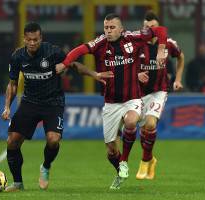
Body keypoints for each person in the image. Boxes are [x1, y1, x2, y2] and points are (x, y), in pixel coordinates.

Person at [56, 13, 167, 189]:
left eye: (112, 27)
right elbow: (79, 50)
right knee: (110, 150)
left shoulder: (133, 37)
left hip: (132, 99)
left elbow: (160, 30)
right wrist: (64, 63)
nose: (108, 31)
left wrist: (161, 48)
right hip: (111, 103)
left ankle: (124, 160)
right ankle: (120, 170)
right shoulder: (100, 43)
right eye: (106, 27)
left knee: (131, 121)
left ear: (121, 29)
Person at [1, 22, 112, 192]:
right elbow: (13, 84)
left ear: (41, 38)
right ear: (24, 39)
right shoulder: (17, 57)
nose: (32, 43)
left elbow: (74, 65)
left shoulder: (52, 52)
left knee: (53, 140)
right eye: (29, 39)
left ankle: (45, 167)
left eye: (35, 39)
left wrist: (94, 74)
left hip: (53, 102)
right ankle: (17, 183)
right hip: (30, 101)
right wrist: (7, 107)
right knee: (12, 141)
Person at [136, 11, 184, 180]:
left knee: (150, 124)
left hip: (159, 90)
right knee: (143, 131)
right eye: (146, 27)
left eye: (153, 27)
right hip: (139, 92)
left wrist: (177, 79)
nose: (149, 30)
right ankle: (150, 159)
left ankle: (144, 161)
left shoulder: (168, 44)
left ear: (159, 28)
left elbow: (180, 57)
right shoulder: (137, 44)